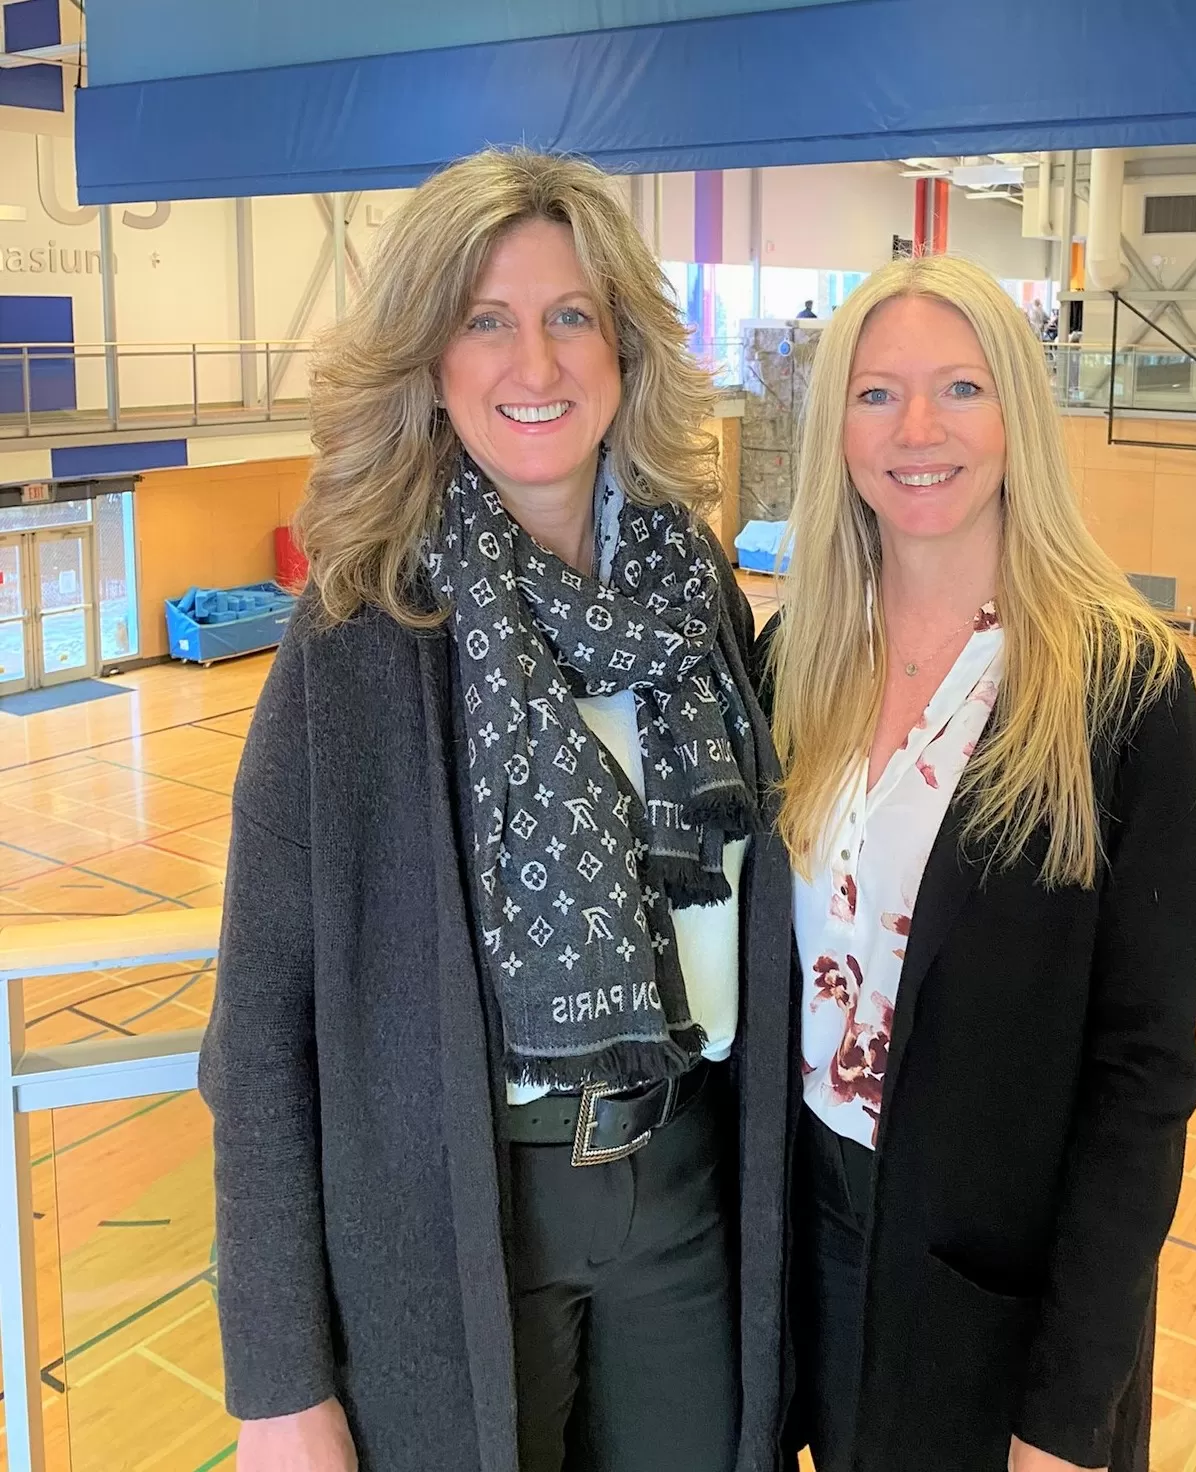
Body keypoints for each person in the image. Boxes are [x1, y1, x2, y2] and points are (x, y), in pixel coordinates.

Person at [199, 148, 793, 1472]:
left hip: (684, 1194)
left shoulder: (694, 590)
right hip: (461, 1222)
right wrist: (278, 1384)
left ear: (624, 347)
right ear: (428, 360)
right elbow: (261, 1032)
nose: (535, 362)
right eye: (486, 319)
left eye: (569, 315)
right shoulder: (360, 628)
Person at [761, 254, 1196, 1471]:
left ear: (1017, 412)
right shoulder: (793, 657)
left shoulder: (1121, 692)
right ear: (835, 428)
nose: (918, 429)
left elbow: (1144, 1080)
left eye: (959, 388)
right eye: (876, 394)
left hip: (997, 1316)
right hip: (809, 1253)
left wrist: (1067, 1415)